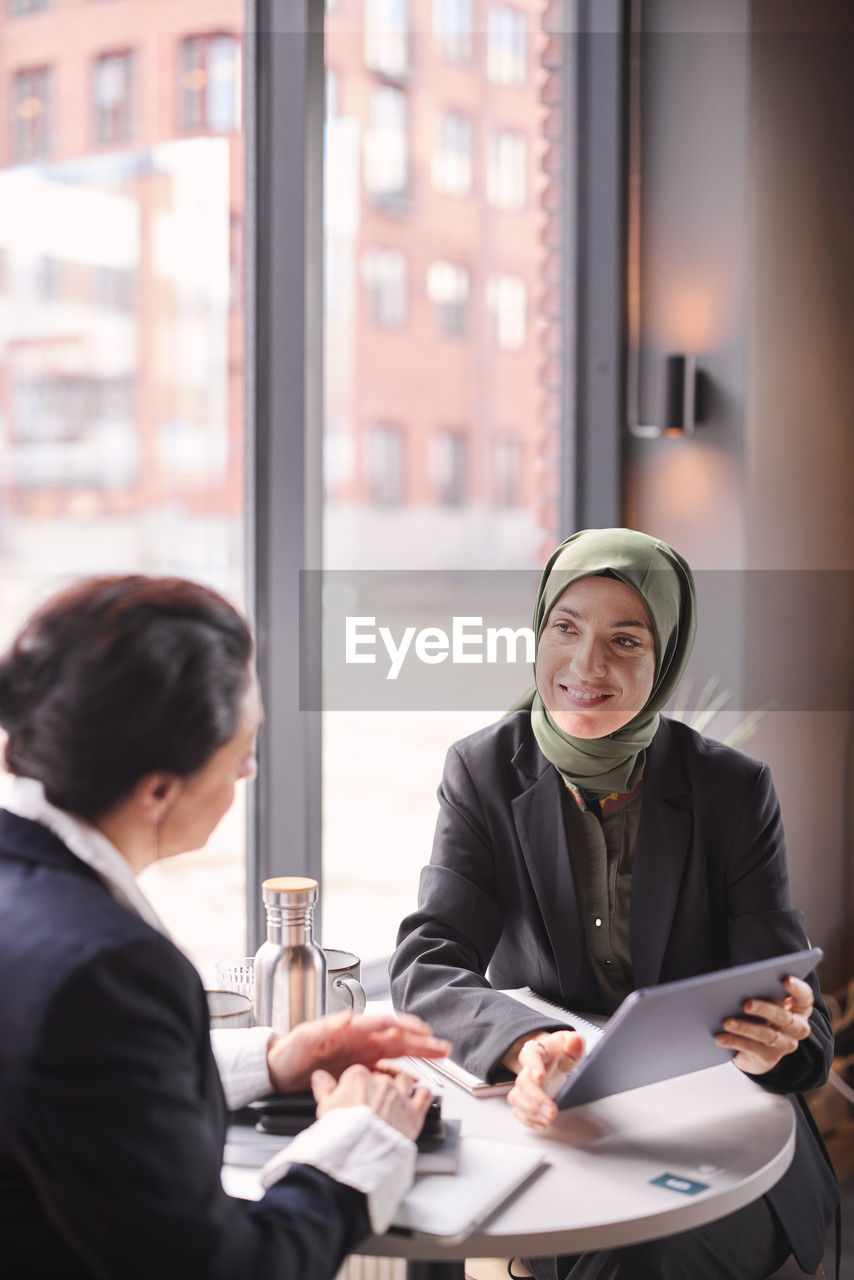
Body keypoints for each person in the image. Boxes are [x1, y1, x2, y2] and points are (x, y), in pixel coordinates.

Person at [390, 527, 839, 1280]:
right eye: (565, 629)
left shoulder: (732, 791)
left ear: (664, 659)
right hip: (567, 1126)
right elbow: (427, 965)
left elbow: (805, 1029)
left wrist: (781, 1041)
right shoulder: (483, 771)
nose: (585, 665)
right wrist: (527, 1045)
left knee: (640, 1254)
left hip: (716, 1133)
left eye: (626, 641)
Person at [0, 574, 450, 1280]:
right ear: (157, 789)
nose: (250, 769)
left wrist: (273, 1061)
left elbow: (78, 1087)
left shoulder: (34, 904)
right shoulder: (104, 969)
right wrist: (360, 1138)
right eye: (241, 749)